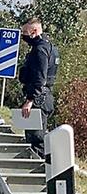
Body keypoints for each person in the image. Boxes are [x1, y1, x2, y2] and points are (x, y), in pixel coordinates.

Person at [18, 17, 60, 156]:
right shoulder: (51, 47)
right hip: (45, 96)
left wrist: (30, 100)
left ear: (34, 31)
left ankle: (38, 174)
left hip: (38, 99)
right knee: (35, 138)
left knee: (35, 141)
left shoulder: (40, 50)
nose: (23, 35)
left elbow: (40, 78)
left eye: (25, 31)